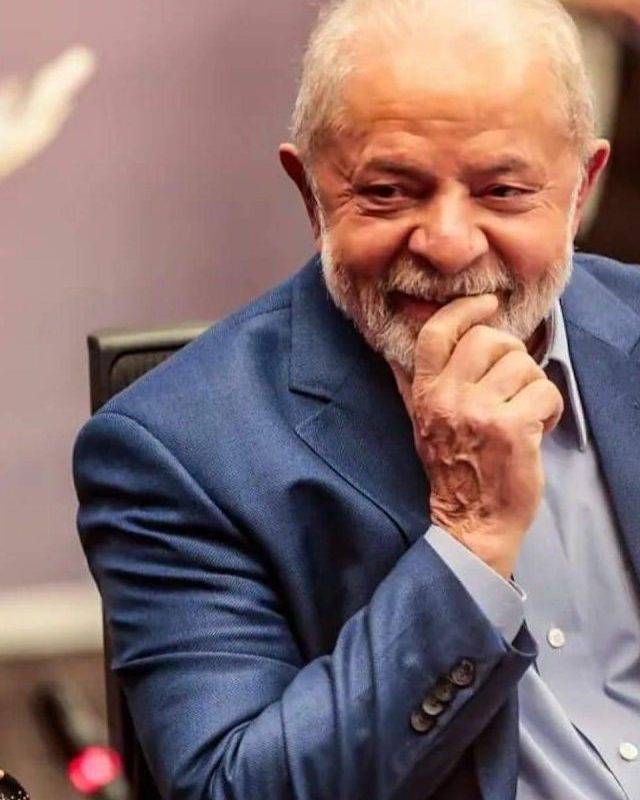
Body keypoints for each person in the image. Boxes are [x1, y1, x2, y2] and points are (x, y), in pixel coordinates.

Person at [73, 0, 640, 798]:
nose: (449, 244)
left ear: (581, 189)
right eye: (390, 192)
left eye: (504, 190)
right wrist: (469, 540)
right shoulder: (173, 452)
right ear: (309, 193)